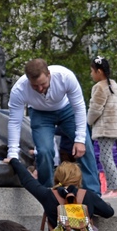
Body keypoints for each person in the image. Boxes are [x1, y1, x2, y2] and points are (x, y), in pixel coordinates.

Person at [7, 59, 101, 194]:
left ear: (49, 74)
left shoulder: (65, 77)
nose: (40, 89)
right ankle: (46, 191)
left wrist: (79, 139)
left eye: (43, 84)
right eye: (35, 86)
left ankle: (93, 193)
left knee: (84, 146)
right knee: (44, 151)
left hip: (67, 110)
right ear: (28, 80)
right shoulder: (19, 89)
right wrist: (12, 154)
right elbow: (15, 122)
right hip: (40, 114)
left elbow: (79, 107)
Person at [87, 56, 117, 198]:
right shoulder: (114, 86)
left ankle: (115, 188)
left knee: (105, 157)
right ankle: (111, 188)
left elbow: (95, 109)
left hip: (104, 128)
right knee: (106, 156)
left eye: (92, 71)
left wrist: (88, 121)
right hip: (114, 127)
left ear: (99, 71)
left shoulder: (100, 87)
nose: (91, 74)